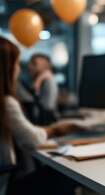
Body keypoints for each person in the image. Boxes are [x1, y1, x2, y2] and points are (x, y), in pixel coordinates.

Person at [0, 37, 79, 195]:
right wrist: (55, 130)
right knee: (69, 172)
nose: (20, 69)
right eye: (16, 64)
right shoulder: (5, 102)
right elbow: (32, 138)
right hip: (6, 186)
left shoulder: (47, 82)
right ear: (6, 67)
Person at [17, 54, 58, 125]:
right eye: (29, 62)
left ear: (46, 68)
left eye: (34, 63)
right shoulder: (31, 81)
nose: (29, 66)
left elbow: (45, 113)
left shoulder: (49, 81)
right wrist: (38, 81)